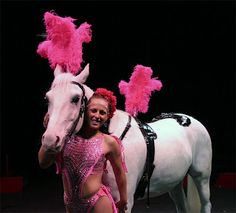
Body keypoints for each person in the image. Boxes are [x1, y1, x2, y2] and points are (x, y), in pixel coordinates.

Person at [38, 88, 128, 213]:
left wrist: (123, 199)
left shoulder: (109, 142)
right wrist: (49, 131)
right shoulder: (65, 137)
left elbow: (119, 172)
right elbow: (43, 162)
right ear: (85, 111)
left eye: (102, 113)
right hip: (70, 203)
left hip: (98, 202)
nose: (97, 116)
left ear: (107, 117)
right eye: (93, 110)